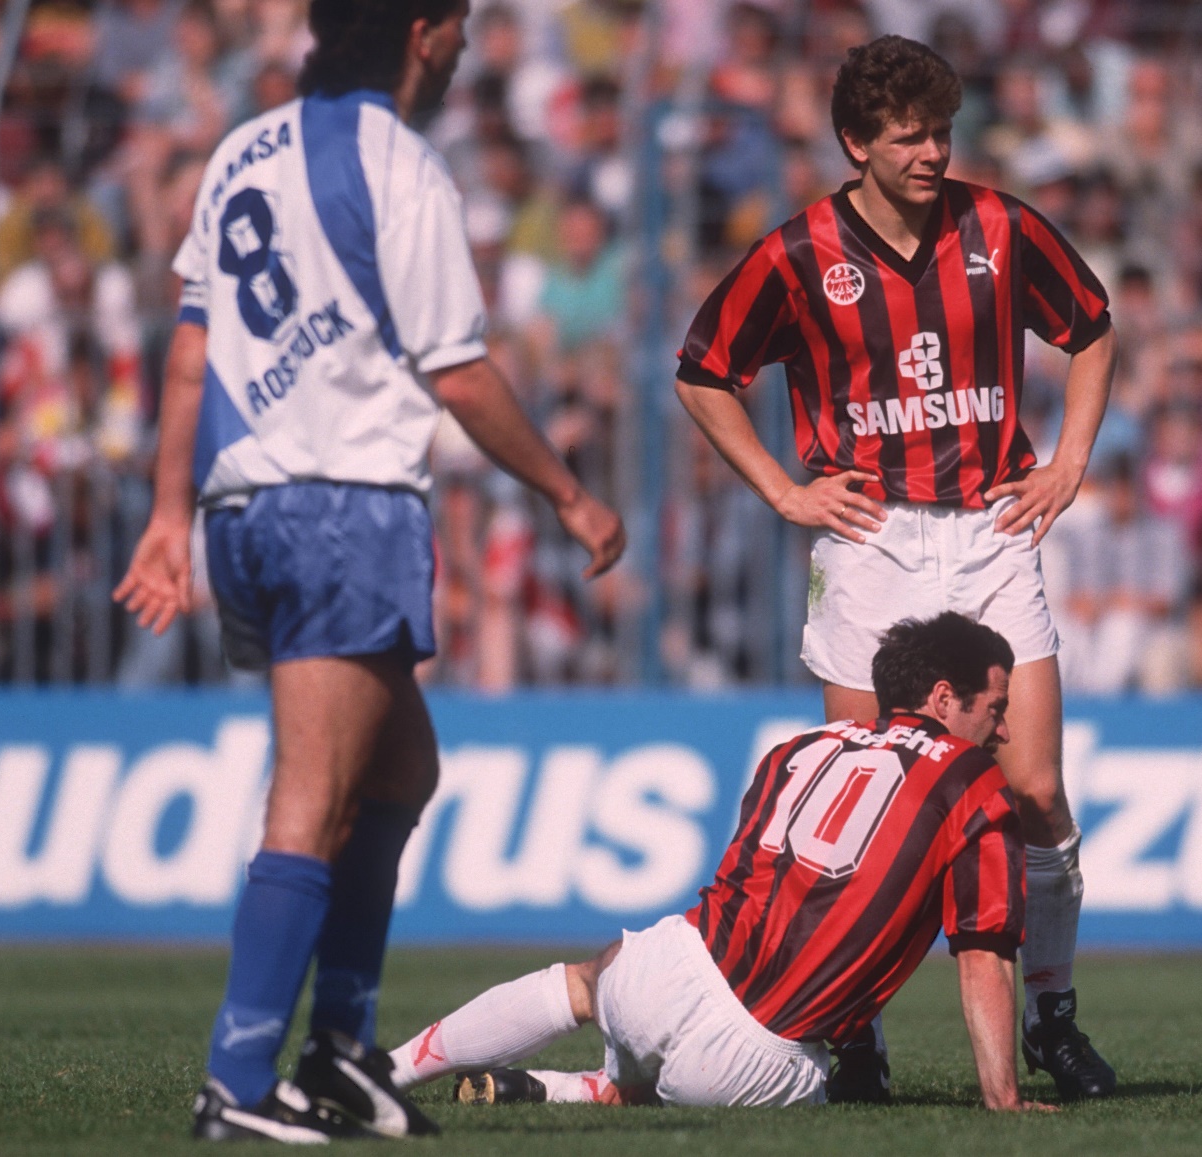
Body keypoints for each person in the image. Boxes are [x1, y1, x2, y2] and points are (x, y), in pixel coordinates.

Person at [112, 0, 625, 1142]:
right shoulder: (400, 164)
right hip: (339, 507)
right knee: (316, 792)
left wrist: (167, 513)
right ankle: (237, 1083)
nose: (465, 45)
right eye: (460, 25)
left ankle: (341, 1054)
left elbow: (191, 350)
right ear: (423, 32)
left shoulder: (242, 150)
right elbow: (462, 374)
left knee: (399, 767)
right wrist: (570, 492)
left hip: (247, 507)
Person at [672, 36, 1118, 1101]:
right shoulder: (797, 253)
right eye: (909, 136)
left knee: (1035, 787)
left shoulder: (1000, 227)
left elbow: (1093, 329)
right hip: (871, 539)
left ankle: (1054, 1016)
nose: (931, 153)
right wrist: (783, 491)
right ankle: (855, 1037)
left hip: (991, 527)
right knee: (867, 792)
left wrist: (1069, 462)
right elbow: (703, 372)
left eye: (941, 132)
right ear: (855, 144)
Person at [388, 614, 1052, 1113]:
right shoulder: (974, 781)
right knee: (706, 1079)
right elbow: (983, 954)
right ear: (943, 698)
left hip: (664, 972)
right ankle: (582, 1088)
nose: (1003, 731)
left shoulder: (797, 747)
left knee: (586, 982)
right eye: (996, 709)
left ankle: (393, 1070)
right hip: (759, 1054)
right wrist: (1003, 1097)